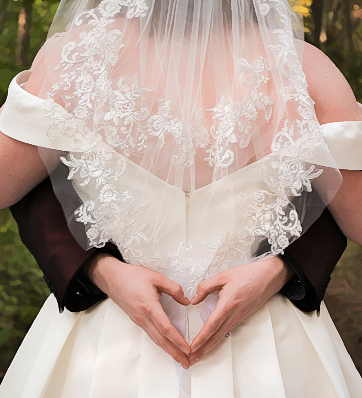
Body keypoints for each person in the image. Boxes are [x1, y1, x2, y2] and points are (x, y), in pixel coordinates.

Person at [0, 0, 362, 397]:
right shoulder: (305, 70)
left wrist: (101, 267)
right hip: (269, 347)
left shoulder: (74, 58)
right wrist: (281, 263)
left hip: (104, 345)